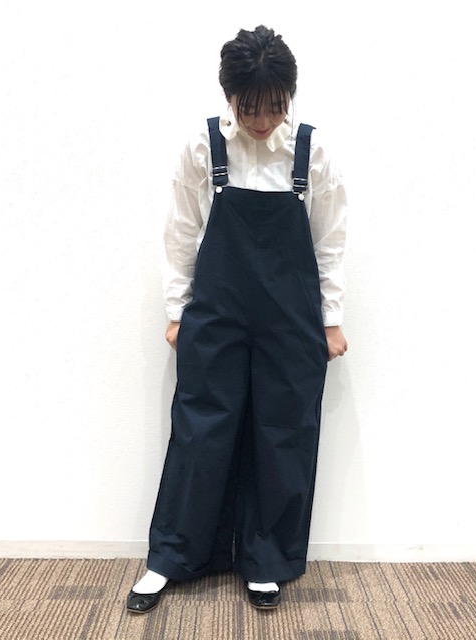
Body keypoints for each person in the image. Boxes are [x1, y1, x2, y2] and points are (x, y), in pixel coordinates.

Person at [126, 25, 347, 613]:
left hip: (292, 318)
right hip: (216, 311)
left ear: (289, 97)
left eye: (275, 106)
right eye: (250, 108)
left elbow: (330, 242)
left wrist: (331, 320)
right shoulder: (204, 149)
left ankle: (265, 560)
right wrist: (177, 312)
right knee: (200, 430)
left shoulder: (311, 152)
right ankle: (171, 556)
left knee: (283, 432)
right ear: (229, 96)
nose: (262, 120)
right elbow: (180, 234)